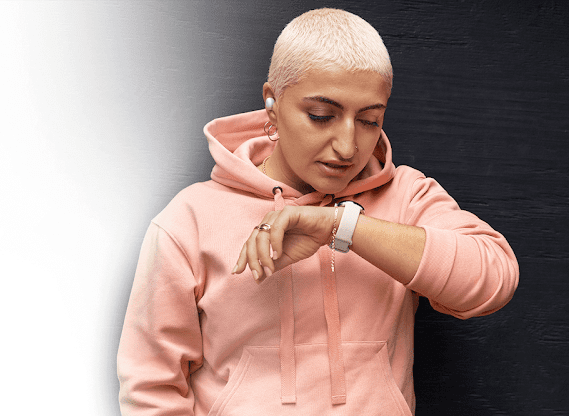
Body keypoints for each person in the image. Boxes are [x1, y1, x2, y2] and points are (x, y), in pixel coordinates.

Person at [116, 8, 518, 416]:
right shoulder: (191, 219)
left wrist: (342, 226)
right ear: (272, 105)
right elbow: (151, 388)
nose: (347, 146)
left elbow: (494, 281)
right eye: (322, 116)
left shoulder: (406, 196)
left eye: (369, 120)